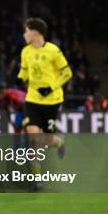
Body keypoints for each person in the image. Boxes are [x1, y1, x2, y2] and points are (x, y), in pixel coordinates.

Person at [17, 18, 73, 189]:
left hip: (52, 101)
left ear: (35, 33)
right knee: (33, 137)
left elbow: (67, 73)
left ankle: (59, 142)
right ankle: (36, 179)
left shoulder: (53, 51)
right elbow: (24, 71)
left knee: (47, 140)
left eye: (26, 31)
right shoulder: (25, 52)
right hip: (32, 99)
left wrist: (51, 87)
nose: (24, 34)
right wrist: (19, 78)